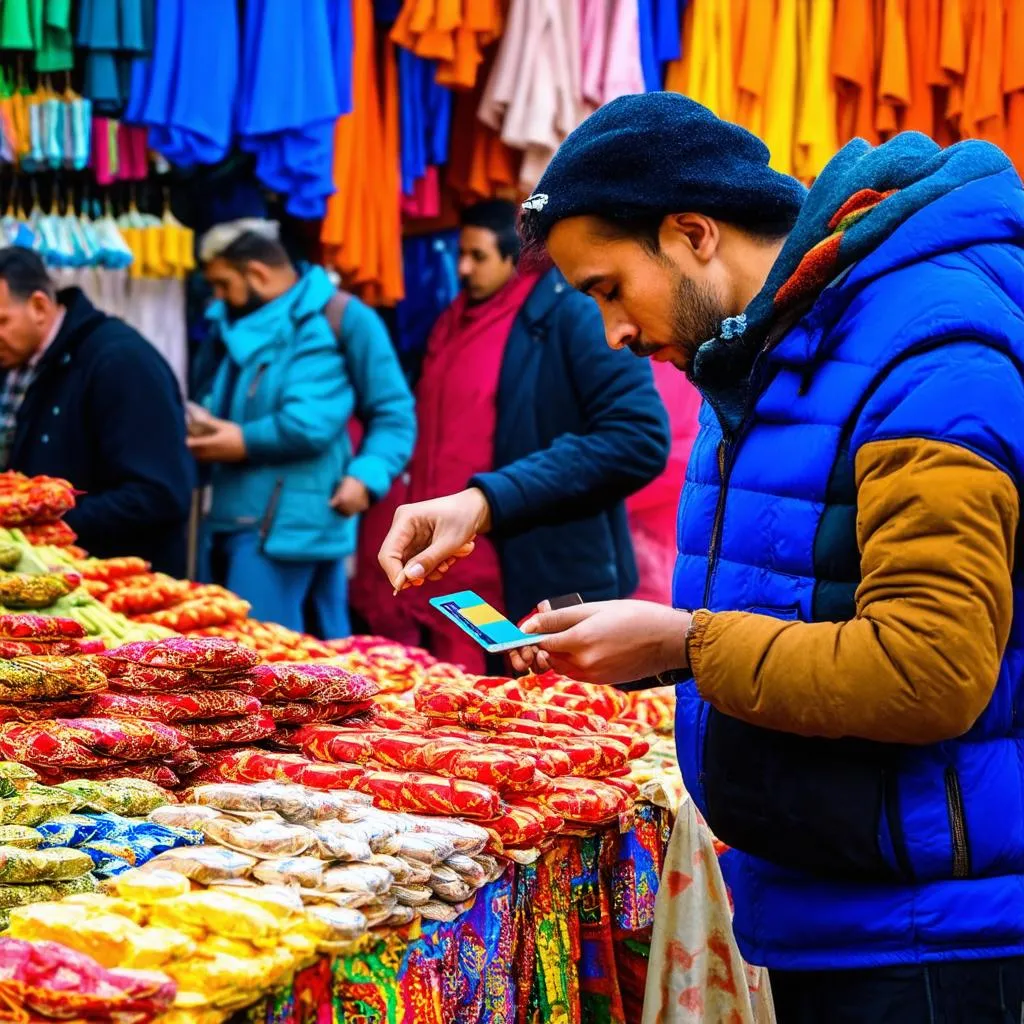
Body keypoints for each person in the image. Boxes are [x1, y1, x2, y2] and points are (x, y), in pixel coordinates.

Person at [378, 92, 1024, 1020]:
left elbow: (929, 669)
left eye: (608, 289)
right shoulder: (768, 346)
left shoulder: (928, 346)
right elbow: (798, 598)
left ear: (692, 233)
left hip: (937, 936)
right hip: (842, 903)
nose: (614, 334)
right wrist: (638, 642)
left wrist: (682, 643)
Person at [371, 199, 669, 673]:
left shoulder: (571, 313)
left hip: (536, 577)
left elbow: (638, 438)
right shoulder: (453, 321)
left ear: (514, 257)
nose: (463, 268)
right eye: (459, 254)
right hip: (457, 575)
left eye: (479, 255)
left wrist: (491, 499)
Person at [192, 219, 414, 636]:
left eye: (223, 284)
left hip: (303, 524)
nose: (217, 298)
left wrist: (367, 477)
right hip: (226, 520)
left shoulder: (342, 318)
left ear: (257, 273)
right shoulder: (227, 325)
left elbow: (393, 412)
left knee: (278, 665)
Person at [0, 247, 193, 574]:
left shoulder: (120, 362)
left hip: (114, 587)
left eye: (1, 321)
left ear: (39, 307)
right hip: (42, 576)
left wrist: (39, 525)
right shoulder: (17, 360)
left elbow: (158, 495)